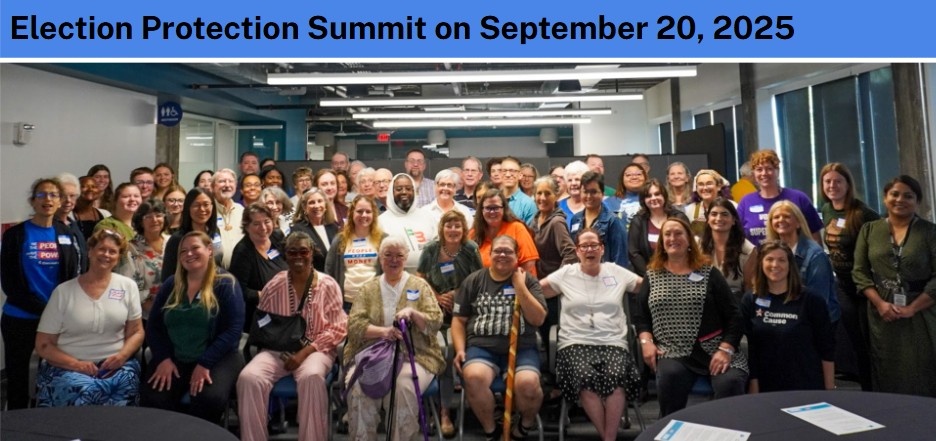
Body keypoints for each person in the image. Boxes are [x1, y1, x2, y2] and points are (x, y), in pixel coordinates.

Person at [238, 231, 347, 440]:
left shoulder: (328, 285)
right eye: (292, 252)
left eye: (303, 251)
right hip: (277, 349)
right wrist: (274, 341)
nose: (298, 256)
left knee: (311, 377)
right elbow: (262, 322)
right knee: (249, 377)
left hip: (316, 349)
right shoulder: (275, 284)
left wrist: (303, 353)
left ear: (312, 253)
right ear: (285, 255)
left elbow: (338, 328)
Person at [634, 218, 747, 417]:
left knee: (729, 382)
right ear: (661, 242)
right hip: (672, 351)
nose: (673, 238)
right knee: (670, 378)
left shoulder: (709, 273)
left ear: (689, 240)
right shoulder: (652, 276)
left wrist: (725, 349)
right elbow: (641, 316)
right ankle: (671, 429)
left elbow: (735, 316)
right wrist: (646, 342)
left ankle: (729, 430)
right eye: (667, 234)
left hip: (715, 348)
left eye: (678, 233)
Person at [540, 228, 643, 441]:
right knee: (585, 378)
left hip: (613, 342)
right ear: (577, 251)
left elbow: (645, 287)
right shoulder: (566, 273)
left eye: (594, 245)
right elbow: (537, 290)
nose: (589, 250)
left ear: (602, 249)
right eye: (584, 246)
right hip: (574, 343)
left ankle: (608, 438)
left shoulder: (615, 271)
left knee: (616, 377)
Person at [344, 236, 444, 441]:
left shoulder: (420, 286)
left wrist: (413, 313)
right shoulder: (368, 288)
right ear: (380, 258)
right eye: (388, 255)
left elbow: (435, 321)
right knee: (359, 388)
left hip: (415, 355)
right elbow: (354, 326)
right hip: (374, 354)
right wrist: (383, 332)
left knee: (402, 388)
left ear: (406, 258)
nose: (393, 260)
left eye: (399, 255)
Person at [35, 229, 144, 407]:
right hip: (68, 366)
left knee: (126, 382)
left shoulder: (128, 287)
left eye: (113, 251)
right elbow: (43, 344)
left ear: (118, 257)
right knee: (86, 390)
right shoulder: (63, 292)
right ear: (90, 251)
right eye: (101, 249)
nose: (106, 255)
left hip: (115, 365)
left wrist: (122, 356)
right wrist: (76, 365)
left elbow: (137, 332)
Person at [452, 235, 547, 441]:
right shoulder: (474, 280)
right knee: (473, 377)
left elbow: (538, 319)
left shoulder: (528, 280)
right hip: (482, 347)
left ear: (517, 255)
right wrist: (459, 349)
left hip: (521, 347)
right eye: (498, 251)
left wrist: (520, 287)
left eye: (508, 251)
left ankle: (523, 427)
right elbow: (458, 320)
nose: (502, 255)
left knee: (529, 384)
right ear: (490, 253)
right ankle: (492, 431)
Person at [143, 231, 245, 422]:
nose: (189, 254)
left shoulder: (225, 283)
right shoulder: (171, 284)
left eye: (195, 248)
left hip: (218, 357)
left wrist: (205, 363)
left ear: (209, 250)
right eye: (183, 251)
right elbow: (153, 327)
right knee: (155, 397)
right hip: (175, 357)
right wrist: (163, 359)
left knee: (208, 399)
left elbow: (233, 330)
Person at [1, 178, 82, 409]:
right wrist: (45, 309)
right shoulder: (15, 235)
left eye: (53, 195)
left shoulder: (66, 233)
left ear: (60, 201)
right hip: (20, 318)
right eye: (41, 195)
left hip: (57, 320)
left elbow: (72, 275)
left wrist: (57, 312)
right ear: (32, 201)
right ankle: (15, 421)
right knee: (18, 378)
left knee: (54, 376)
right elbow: (10, 282)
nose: (48, 199)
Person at [853, 175, 936, 396]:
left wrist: (912, 309)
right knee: (885, 366)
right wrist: (880, 304)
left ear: (917, 201)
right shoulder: (869, 230)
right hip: (881, 311)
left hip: (922, 310)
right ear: (885, 198)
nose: (900, 200)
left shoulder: (930, 232)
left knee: (922, 366)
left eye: (908, 196)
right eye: (894, 194)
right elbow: (859, 272)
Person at [416, 209, 483, 438]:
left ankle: (450, 410)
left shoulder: (470, 249)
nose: (453, 230)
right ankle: (443, 412)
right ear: (442, 228)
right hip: (434, 312)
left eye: (457, 226)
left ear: (464, 229)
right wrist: (436, 296)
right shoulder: (431, 249)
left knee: (451, 351)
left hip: (463, 313)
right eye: (449, 225)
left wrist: (458, 294)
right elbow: (420, 278)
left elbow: (479, 279)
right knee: (442, 354)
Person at [740, 240, 835, 393]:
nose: (775, 265)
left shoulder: (811, 300)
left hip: (807, 385)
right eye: (769, 259)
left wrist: (830, 390)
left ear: (790, 265)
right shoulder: (750, 300)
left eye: (781, 260)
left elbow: (826, 348)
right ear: (761, 264)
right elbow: (751, 350)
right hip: (766, 386)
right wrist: (754, 385)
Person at [819, 162, 879, 391]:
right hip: (843, 285)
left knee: (867, 342)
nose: (832, 186)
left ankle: (874, 389)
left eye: (838, 181)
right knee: (855, 341)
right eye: (828, 181)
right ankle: (865, 389)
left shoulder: (863, 213)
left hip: (866, 286)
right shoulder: (827, 209)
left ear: (848, 184)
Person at [765, 201, 840, 324]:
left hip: (815, 322)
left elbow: (818, 302)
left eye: (787, 216)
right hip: (783, 318)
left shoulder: (815, 255)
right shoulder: (768, 252)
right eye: (776, 217)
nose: (781, 220)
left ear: (798, 223)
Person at [737, 150, 823, 246]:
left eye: (769, 169)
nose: (764, 173)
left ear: (777, 171)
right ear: (754, 173)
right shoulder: (746, 202)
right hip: (757, 255)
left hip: (796, 255)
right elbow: (737, 237)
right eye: (759, 169)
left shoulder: (799, 198)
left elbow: (815, 238)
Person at [229, 203, 288, 332]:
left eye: (267, 221)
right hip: (259, 317)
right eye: (256, 224)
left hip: (286, 308)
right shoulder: (243, 251)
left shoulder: (277, 237)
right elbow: (238, 290)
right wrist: (266, 295)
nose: (263, 228)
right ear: (247, 226)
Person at [326, 195, 385, 311]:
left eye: (368, 211)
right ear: (352, 213)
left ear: (374, 214)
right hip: (346, 304)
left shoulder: (383, 239)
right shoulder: (340, 240)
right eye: (359, 211)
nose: (364, 215)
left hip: (374, 303)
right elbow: (329, 269)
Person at [628, 179, 689, 277]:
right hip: (648, 276)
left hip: (680, 274)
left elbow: (688, 245)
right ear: (643, 200)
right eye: (648, 196)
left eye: (657, 194)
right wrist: (650, 276)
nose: (653, 198)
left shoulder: (679, 217)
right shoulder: (638, 221)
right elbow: (633, 252)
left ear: (664, 195)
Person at [471, 189, 539, 276]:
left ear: (504, 209)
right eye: (488, 208)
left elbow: (529, 265)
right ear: (481, 210)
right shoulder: (473, 233)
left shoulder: (517, 228)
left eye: (496, 208)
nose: (492, 212)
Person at [699, 198, 757, 300]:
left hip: (735, 302)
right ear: (708, 219)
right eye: (714, 214)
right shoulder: (698, 246)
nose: (718, 218)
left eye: (724, 214)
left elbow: (749, 287)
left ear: (733, 220)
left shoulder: (747, 249)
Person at [379, 173, 438, 272]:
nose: (404, 192)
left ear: (414, 191)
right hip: (394, 277)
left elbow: (438, 248)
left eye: (408, 188)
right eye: (399, 189)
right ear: (391, 192)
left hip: (427, 276)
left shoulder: (428, 217)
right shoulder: (381, 221)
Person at [162, 188, 223, 283]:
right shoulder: (178, 239)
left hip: (215, 286)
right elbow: (167, 276)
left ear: (212, 206)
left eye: (206, 204)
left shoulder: (215, 231)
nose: (202, 209)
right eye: (196, 205)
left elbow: (217, 263)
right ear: (188, 208)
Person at [570, 171, 629, 269]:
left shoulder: (613, 221)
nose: (589, 196)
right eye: (585, 192)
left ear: (602, 194)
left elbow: (620, 260)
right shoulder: (575, 219)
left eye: (593, 192)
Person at [122, 200, 170, 320]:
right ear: (140, 221)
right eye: (148, 217)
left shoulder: (172, 242)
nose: (154, 220)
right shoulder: (131, 248)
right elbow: (129, 286)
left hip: (175, 309)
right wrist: (155, 312)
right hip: (145, 314)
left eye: (158, 215)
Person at [291, 187, 339, 272]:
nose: (317, 206)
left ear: (325, 204)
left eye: (320, 201)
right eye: (312, 202)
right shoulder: (298, 231)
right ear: (304, 207)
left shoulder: (333, 227)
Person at [683, 169, 733, 237]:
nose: (705, 188)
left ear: (719, 186)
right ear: (696, 188)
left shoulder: (732, 206)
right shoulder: (689, 210)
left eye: (709, 183)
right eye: (701, 184)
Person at [55, 173, 89, 273]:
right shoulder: (47, 225)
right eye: (63, 196)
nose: (68, 200)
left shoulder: (73, 225)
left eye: (72, 196)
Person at [212, 168, 244, 269]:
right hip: (216, 271)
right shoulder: (208, 211)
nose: (227, 185)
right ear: (213, 186)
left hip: (241, 271)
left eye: (230, 181)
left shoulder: (241, 211)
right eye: (222, 181)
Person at [605, 163, 649, 230]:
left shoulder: (653, 200)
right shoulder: (608, 203)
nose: (634, 177)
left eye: (638, 174)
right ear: (622, 180)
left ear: (645, 177)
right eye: (628, 175)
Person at [500, 156, 537, 225]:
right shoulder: (492, 200)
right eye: (504, 171)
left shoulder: (528, 204)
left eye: (512, 171)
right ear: (500, 174)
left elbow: (531, 231)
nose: (508, 175)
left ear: (520, 175)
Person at [74, 175, 110, 240]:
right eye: (84, 186)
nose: (90, 189)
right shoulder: (69, 215)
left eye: (94, 187)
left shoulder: (105, 214)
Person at [557, 160, 589, 228]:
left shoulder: (593, 205)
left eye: (577, 179)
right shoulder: (557, 207)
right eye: (570, 180)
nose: (573, 183)